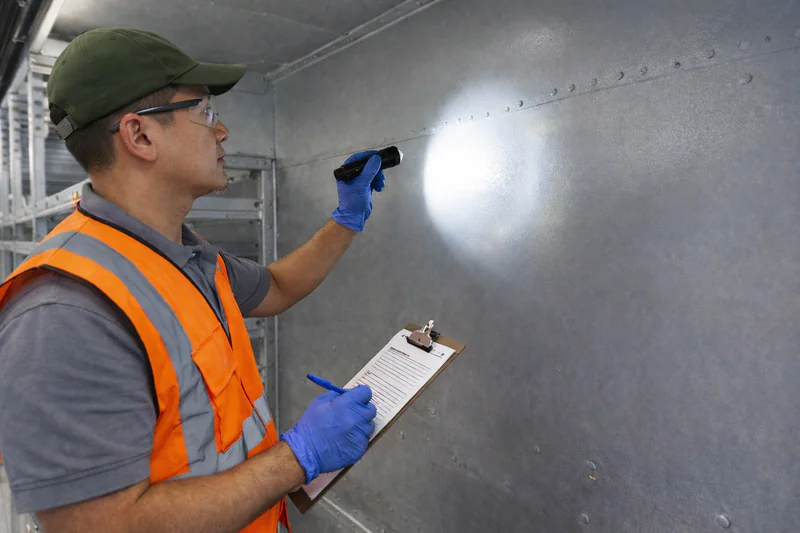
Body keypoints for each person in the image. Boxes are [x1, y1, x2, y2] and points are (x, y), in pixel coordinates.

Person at [0, 27, 384, 532]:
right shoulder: (65, 310)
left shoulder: (185, 256)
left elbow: (279, 286)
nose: (221, 132)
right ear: (140, 136)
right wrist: (298, 457)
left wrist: (347, 217)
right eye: (205, 112)